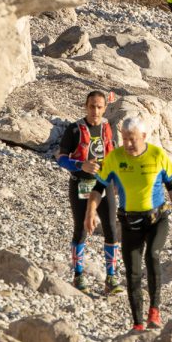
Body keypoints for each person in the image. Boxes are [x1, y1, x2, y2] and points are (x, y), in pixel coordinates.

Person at [85, 115, 172, 331]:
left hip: (156, 219)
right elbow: (98, 188)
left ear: (143, 136)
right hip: (130, 222)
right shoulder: (115, 158)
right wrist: (90, 211)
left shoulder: (157, 155)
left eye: (132, 139)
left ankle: (154, 311)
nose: (128, 144)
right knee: (132, 271)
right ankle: (137, 323)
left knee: (152, 255)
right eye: (124, 139)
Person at [56, 90, 120, 294]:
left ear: (105, 108)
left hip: (103, 185)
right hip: (80, 184)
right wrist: (80, 165)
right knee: (81, 229)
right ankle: (78, 275)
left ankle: (111, 277)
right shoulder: (74, 130)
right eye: (92, 106)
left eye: (100, 107)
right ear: (85, 106)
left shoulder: (108, 128)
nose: (95, 110)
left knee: (110, 228)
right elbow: (61, 158)